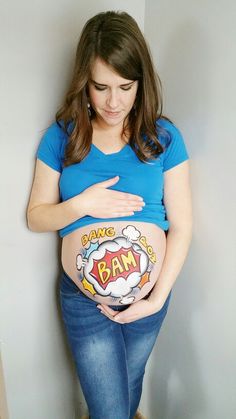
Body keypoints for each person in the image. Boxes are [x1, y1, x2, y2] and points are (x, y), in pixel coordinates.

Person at [27, 10, 192, 419]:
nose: (113, 102)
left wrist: (157, 299)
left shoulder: (164, 138)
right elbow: (36, 216)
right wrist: (81, 205)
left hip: (149, 300)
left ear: (141, 82)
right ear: (85, 81)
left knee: (129, 388)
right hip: (85, 301)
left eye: (125, 86)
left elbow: (183, 226)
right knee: (110, 410)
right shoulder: (62, 136)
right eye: (101, 87)